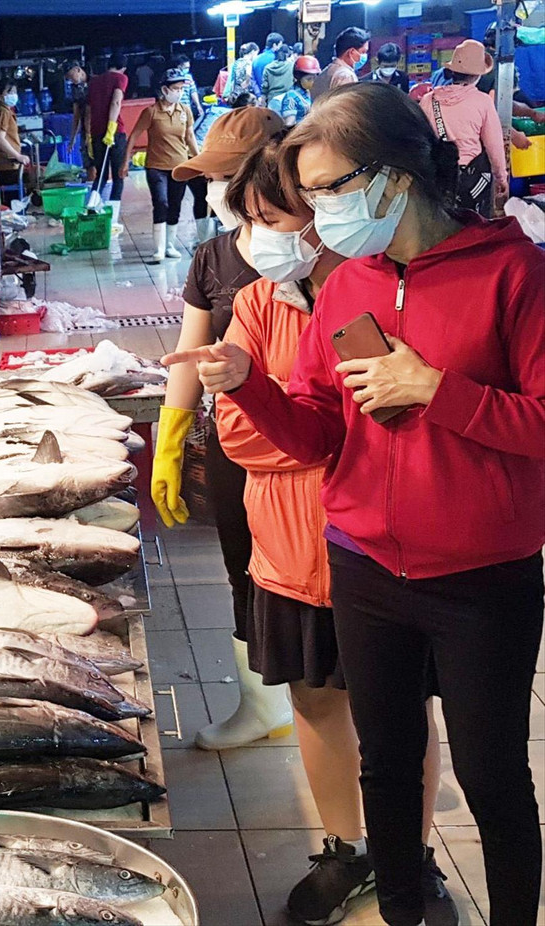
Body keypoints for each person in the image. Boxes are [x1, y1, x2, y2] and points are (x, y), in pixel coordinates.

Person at [170, 81, 545, 926]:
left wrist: (439, 391)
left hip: (484, 574)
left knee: (492, 777)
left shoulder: (512, 272)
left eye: (334, 189)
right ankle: (402, 911)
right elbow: (315, 435)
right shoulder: (347, 287)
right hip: (365, 563)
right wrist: (248, 386)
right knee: (385, 759)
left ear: (395, 175)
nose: (319, 211)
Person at [216, 137, 451, 926]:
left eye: (279, 216)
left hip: (383, 554)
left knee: (401, 714)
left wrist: (296, 415)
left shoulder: (389, 297)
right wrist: (312, 424)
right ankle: (344, 850)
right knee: (316, 703)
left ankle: (412, 862)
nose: (267, 240)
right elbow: (240, 437)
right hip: (288, 553)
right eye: (252, 222)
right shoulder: (256, 304)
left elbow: (409, 429)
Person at [156, 107, 295, 753]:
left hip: (308, 445)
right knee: (243, 569)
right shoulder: (212, 257)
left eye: (229, 175)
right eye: (213, 179)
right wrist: (171, 438)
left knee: (318, 579)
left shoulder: (310, 252)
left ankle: (332, 698)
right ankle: (262, 703)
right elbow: (190, 351)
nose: (219, 192)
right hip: (236, 446)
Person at [419, 39, 509, 217]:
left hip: (437, 176)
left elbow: (420, 138)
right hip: (472, 180)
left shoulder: (428, 100)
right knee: (473, 225)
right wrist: (501, 177)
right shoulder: (482, 101)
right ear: (477, 75)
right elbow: (494, 145)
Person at [132, 69, 200, 264]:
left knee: (175, 205)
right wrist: (123, 163)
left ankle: (170, 245)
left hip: (179, 166)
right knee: (161, 203)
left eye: (180, 89)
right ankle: (159, 249)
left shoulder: (185, 110)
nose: (178, 92)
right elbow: (135, 134)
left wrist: (199, 160)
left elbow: (190, 137)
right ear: (164, 89)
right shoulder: (151, 112)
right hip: (156, 166)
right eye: (175, 88)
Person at [86, 54, 129, 203]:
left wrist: (89, 135)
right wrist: (111, 128)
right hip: (114, 132)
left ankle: (91, 207)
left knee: (101, 175)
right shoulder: (121, 78)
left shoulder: (93, 82)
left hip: (96, 132)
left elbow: (89, 110)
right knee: (118, 175)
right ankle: (113, 212)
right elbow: (116, 102)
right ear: (123, 68)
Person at [0, 78, 30, 192]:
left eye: (14, 92)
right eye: (9, 92)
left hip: (6, 163)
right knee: (13, 200)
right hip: (7, 163)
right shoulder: (3, 111)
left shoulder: (5, 110)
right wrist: (17, 156)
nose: (13, 95)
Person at [312, 27, 369, 101]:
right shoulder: (346, 76)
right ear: (351, 52)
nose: (365, 55)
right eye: (363, 52)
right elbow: (347, 107)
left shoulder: (326, 71)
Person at [280, 56, 321, 127]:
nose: (312, 82)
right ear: (298, 77)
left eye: (314, 79)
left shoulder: (307, 92)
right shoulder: (291, 97)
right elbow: (289, 125)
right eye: (308, 79)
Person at [65, 63, 90, 162]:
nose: (71, 80)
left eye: (71, 76)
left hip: (98, 126)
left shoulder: (95, 81)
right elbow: (76, 115)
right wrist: (72, 139)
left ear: (78, 70)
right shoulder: (75, 89)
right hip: (85, 129)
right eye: (69, 79)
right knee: (88, 161)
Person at [172, 53, 205, 124]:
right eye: (186, 68)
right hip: (174, 110)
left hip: (187, 109)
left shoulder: (188, 77)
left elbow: (193, 92)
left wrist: (198, 106)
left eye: (188, 67)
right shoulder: (171, 78)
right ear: (179, 66)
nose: (187, 69)